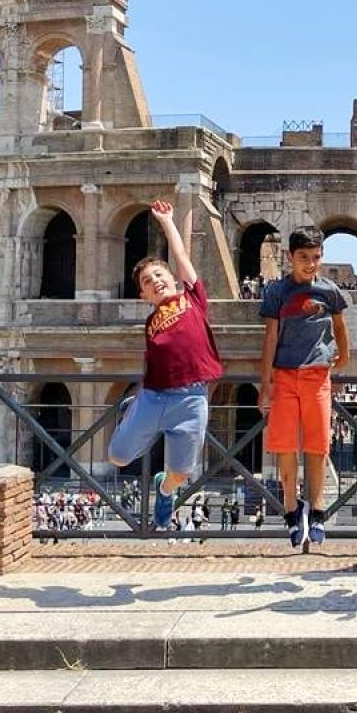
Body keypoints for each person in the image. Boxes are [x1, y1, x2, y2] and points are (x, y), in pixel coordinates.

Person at [107, 199, 223, 529]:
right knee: (117, 456)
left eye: (159, 274)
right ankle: (131, 409)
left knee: (180, 473)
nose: (155, 280)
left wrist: (168, 222)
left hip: (191, 399)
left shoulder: (193, 299)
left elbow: (183, 257)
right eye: (146, 281)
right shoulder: (151, 322)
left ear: (172, 278)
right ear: (144, 296)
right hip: (154, 397)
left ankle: (164, 489)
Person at [258, 225, 349, 548]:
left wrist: (344, 357)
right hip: (284, 374)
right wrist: (264, 383)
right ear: (289, 257)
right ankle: (292, 508)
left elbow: (339, 326)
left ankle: (319, 509)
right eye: (303, 258)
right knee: (284, 445)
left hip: (316, 375)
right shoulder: (276, 292)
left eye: (315, 257)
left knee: (318, 444)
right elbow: (269, 337)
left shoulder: (329, 291)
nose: (310, 264)